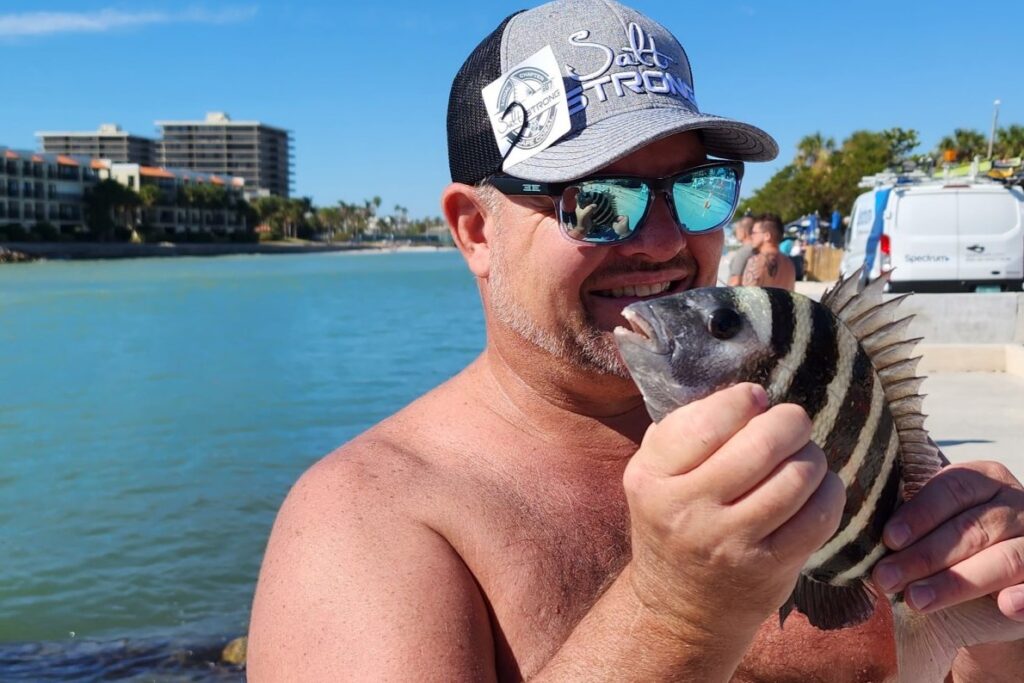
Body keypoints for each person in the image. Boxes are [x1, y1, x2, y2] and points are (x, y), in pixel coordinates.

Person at [247, 1, 1024, 680]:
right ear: (477, 231)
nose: (660, 240)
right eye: (596, 202)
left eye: (696, 188)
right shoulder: (366, 522)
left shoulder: (818, 418)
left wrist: (1000, 635)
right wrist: (677, 613)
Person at [741, 213, 796, 290]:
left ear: (767, 236)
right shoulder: (789, 264)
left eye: (754, 233)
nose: (751, 236)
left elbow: (746, 297)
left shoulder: (756, 261)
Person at [726, 213, 755, 286]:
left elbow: (735, 281)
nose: (735, 233)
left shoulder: (743, 252)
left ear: (743, 231)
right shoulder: (757, 249)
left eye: (737, 229)